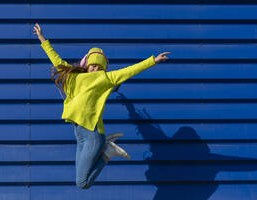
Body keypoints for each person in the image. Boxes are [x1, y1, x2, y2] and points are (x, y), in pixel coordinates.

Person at [33, 23, 170, 189]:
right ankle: (107, 148)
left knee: (82, 183)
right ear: (86, 64)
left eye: (99, 66)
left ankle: (107, 153)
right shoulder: (73, 77)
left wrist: (153, 61)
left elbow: (129, 71)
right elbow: (56, 60)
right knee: (80, 178)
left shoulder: (105, 78)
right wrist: (42, 38)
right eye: (93, 64)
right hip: (80, 134)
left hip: (93, 134)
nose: (95, 68)